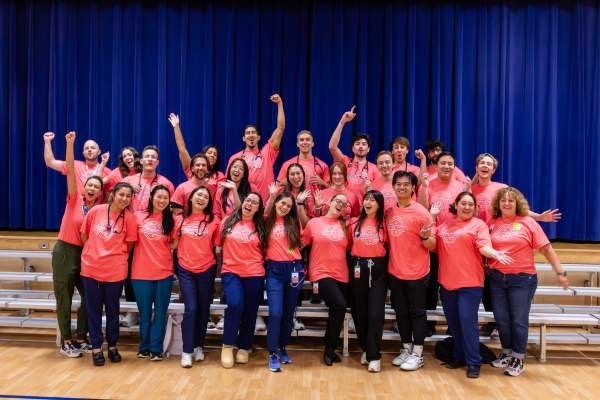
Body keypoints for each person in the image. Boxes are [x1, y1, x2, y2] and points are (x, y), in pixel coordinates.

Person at [471, 153, 562, 336]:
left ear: (494, 169)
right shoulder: (470, 191)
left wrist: (539, 217)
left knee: (491, 281)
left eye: (489, 164)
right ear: (477, 167)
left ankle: (493, 322)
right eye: (482, 163)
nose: (485, 166)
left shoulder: (501, 188)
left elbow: (518, 209)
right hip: (476, 240)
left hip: (497, 240)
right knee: (478, 283)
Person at [429, 192, 513, 378]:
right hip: (447, 283)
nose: (467, 207)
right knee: (454, 323)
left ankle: (473, 361)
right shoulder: (444, 226)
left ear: (474, 208)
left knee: (467, 322)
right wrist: (432, 218)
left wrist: (493, 254)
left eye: (470, 204)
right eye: (463, 203)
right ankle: (458, 355)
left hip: (470, 282)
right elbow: (430, 242)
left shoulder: (478, 225)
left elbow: (483, 245)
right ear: (456, 205)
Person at [487, 187, 569, 376]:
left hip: (522, 279)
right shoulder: (492, 222)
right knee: (502, 321)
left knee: (518, 321)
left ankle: (518, 359)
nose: (507, 204)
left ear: (518, 204)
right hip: (497, 278)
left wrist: (560, 272)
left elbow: (547, 249)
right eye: (503, 201)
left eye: (511, 201)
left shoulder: (528, 222)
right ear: (498, 204)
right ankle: (507, 353)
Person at [53, 132, 106, 358]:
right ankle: (66, 341)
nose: (92, 188)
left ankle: (82, 337)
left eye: (96, 185)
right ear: (84, 187)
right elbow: (71, 174)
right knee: (64, 299)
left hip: (86, 255)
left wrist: (102, 166)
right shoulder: (74, 196)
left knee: (89, 299)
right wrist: (70, 144)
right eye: (89, 185)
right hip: (65, 251)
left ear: (100, 191)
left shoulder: (99, 209)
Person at [80, 182, 138, 366]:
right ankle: (97, 347)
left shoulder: (129, 217)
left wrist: (115, 258)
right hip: (91, 268)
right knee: (93, 310)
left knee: (113, 311)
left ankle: (112, 346)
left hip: (115, 271)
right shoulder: (96, 211)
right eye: (121, 194)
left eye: (128, 196)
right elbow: (85, 235)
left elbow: (129, 245)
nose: (124, 199)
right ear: (113, 194)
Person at [385, 171, 436, 372]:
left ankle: (418, 353)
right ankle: (406, 349)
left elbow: (432, 244)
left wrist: (425, 237)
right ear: (394, 186)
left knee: (418, 313)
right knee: (401, 313)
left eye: (407, 184)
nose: (402, 187)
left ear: (414, 188)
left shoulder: (422, 212)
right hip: (395, 271)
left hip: (417, 272)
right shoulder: (389, 211)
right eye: (398, 184)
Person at [417, 152, 470, 336]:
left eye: (450, 164)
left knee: (452, 286)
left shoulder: (460, 186)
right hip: (432, 242)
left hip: (454, 243)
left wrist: (468, 192)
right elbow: (421, 209)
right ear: (436, 165)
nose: (446, 166)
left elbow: (468, 213)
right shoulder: (428, 184)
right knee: (430, 285)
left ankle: (453, 326)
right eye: (443, 163)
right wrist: (424, 189)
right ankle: (429, 325)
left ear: (454, 167)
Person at [215, 193, 267, 368]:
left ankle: (244, 347)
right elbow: (218, 244)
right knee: (235, 305)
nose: (250, 204)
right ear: (242, 202)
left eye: (255, 202)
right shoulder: (228, 221)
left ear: (258, 208)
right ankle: (228, 345)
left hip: (254, 273)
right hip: (231, 272)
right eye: (248, 200)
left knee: (250, 311)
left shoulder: (261, 225)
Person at [173, 186, 221, 368]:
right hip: (185, 269)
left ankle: (198, 346)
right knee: (191, 308)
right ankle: (186, 351)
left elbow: (217, 244)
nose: (202, 198)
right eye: (199, 195)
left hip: (207, 269)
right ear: (191, 197)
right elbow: (174, 245)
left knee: (203, 310)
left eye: (206, 197)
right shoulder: (179, 219)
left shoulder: (213, 220)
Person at [301, 193, 350, 366]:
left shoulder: (346, 225)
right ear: (329, 202)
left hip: (342, 274)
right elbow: (301, 244)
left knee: (338, 310)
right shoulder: (314, 223)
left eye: (344, 204)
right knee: (339, 305)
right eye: (338, 201)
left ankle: (332, 348)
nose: (341, 205)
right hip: (320, 273)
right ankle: (329, 350)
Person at [131, 185, 178, 361]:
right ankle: (144, 346)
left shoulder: (171, 219)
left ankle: (156, 347)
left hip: (163, 271)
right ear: (151, 198)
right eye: (159, 196)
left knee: (160, 312)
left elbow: (174, 244)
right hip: (140, 272)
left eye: (166, 198)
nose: (162, 201)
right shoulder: (138, 216)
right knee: (144, 312)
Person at [264, 192, 305, 372]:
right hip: (274, 270)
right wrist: (271, 196)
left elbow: (300, 243)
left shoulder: (293, 222)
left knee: (288, 313)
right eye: (282, 203)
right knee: (276, 313)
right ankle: (272, 352)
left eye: (289, 206)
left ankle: (282, 347)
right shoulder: (266, 220)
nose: (285, 207)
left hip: (294, 269)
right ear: (276, 203)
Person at [348, 190, 388, 372]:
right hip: (358, 267)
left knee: (375, 314)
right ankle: (367, 348)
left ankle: (374, 356)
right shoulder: (353, 222)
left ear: (379, 204)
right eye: (366, 199)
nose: (368, 202)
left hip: (379, 269)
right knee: (359, 312)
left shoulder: (384, 225)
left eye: (373, 199)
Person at [226, 95, 285, 200]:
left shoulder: (267, 152)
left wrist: (279, 104)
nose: (251, 135)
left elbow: (281, 128)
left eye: (254, 132)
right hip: (243, 204)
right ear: (244, 138)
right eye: (248, 133)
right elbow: (229, 182)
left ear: (258, 137)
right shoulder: (235, 158)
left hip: (265, 204)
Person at [329, 106, 380, 200]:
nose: (360, 146)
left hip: (363, 209)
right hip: (343, 207)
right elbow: (332, 147)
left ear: (368, 149)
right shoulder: (344, 161)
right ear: (352, 148)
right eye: (357, 144)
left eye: (364, 144)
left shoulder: (375, 169)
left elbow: (377, 192)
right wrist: (342, 122)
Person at [44, 132, 111, 197]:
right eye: (86, 148)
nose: (89, 150)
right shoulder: (74, 165)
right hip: (76, 205)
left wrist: (100, 208)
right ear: (83, 153)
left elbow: (108, 196)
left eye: (93, 148)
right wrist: (47, 142)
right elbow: (50, 162)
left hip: (96, 207)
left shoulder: (107, 171)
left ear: (99, 152)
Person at [167, 113, 226, 189]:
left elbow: (220, 195)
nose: (212, 155)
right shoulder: (192, 167)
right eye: (209, 153)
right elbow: (182, 149)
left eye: (215, 154)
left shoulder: (219, 175)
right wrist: (176, 127)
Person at [122, 145, 175, 213]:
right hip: (132, 221)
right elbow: (112, 200)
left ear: (157, 162)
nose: (150, 159)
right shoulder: (127, 181)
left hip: (156, 222)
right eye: (147, 156)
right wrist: (128, 189)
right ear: (141, 161)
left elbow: (171, 209)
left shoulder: (166, 183)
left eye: (153, 157)